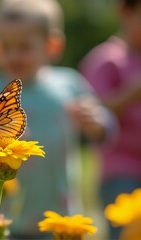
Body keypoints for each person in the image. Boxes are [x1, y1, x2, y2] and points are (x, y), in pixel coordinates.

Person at [0, 0, 115, 238]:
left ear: (52, 45)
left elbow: (106, 131)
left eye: (24, 47)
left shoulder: (69, 84)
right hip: (4, 218)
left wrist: (96, 122)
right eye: (6, 46)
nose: (14, 55)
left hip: (58, 215)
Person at [79, 0, 141, 238]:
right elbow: (93, 114)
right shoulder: (107, 59)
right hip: (121, 172)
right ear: (125, 11)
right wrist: (129, 95)